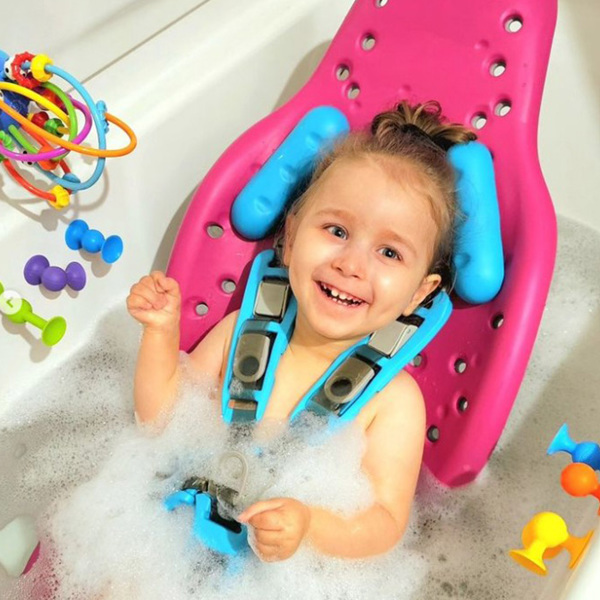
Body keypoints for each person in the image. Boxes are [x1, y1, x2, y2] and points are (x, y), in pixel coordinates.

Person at [127, 100, 476, 562]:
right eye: (336, 230)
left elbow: (385, 522)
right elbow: (158, 423)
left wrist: (311, 525)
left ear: (419, 293)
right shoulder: (242, 333)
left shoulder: (393, 402)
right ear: (290, 239)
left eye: (389, 254)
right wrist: (159, 333)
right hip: (163, 544)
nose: (350, 265)